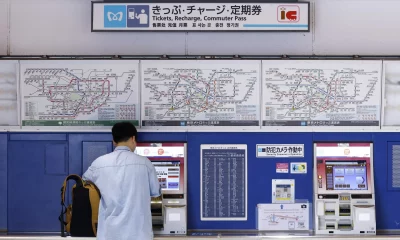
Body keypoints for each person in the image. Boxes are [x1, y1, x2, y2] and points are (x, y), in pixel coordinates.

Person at [82, 122, 160, 240]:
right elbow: (155, 193)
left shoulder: (99, 163)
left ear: (114, 141)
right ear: (133, 138)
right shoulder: (145, 163)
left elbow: (84, 183)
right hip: (139, 233)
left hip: (109, 234)